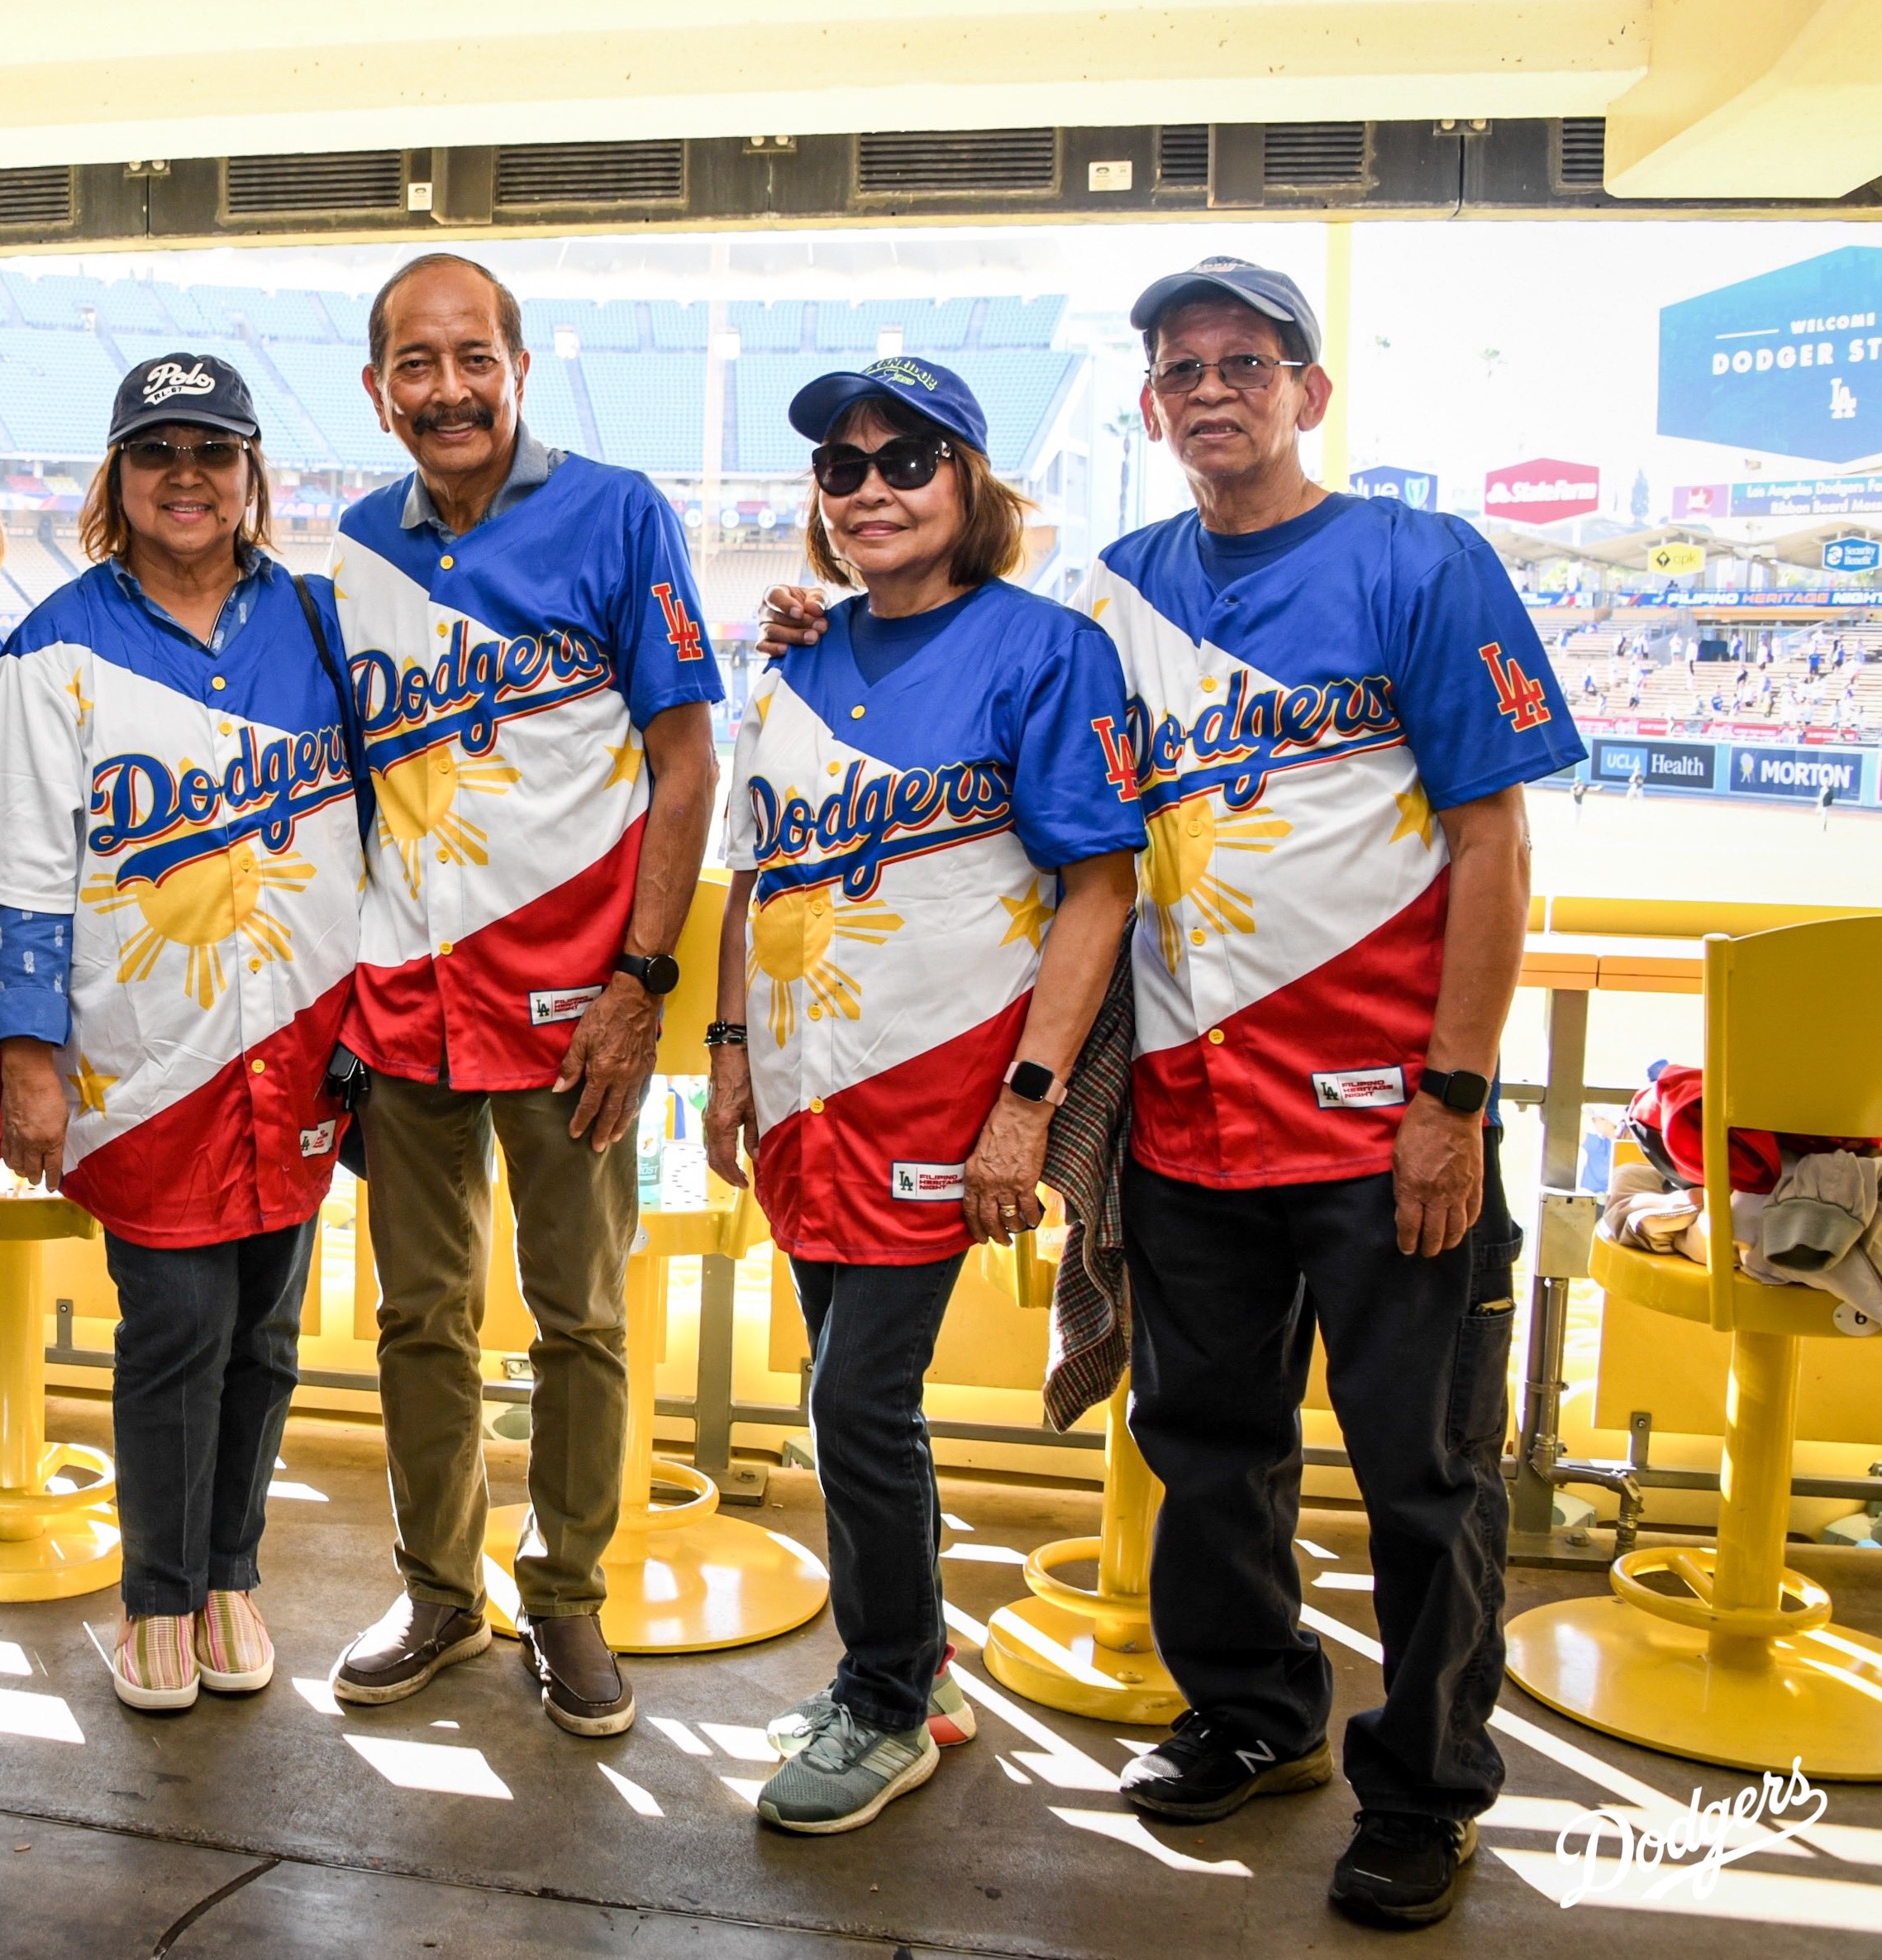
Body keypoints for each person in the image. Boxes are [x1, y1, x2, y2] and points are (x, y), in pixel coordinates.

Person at [762, 256, 1578, 1926]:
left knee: (1423, 1476)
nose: (1212, 387)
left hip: (1380, 1115)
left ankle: (1425, 1788)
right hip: (1193, 1120)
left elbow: (1494, 841)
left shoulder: (1421, 560)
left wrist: (1455, 1089)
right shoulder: (1117, 593)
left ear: (1307, 390)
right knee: (1207, 1445)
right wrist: (808, 627)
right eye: (1180, 366)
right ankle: (1253, 1715)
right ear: (1147, 404)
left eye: (1246, 359)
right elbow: (961, 665)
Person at [698, 358, 1139, 1836]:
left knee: (855, 1400)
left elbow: (1100, 888)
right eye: (843, 465)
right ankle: (924, 1666)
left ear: (969, 485)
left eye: (906, 459)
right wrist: (729, 1047)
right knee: (857, 1412)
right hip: (809, 1097)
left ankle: (884, 1700)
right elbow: (755, 873)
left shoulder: (1044, 647)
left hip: (941, 1100)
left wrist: (1027, 1101)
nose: (871, 486)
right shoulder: (800, 658)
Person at [327, 254, 724, 1738]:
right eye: (415, 365)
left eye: (472, 355)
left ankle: (566, 1599)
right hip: (405, 1013)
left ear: (517, 365)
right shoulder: (361, 543)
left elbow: (688, 761)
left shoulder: (618, 512)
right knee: (420, 1315)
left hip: (575, 1013)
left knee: (580, 1316)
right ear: (379, 391)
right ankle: (439, 1586)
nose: (447, 388)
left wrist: (640, 983)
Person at [0, 354, 358, 1710]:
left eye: (212, 449)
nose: (184, 476)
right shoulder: (54, 644)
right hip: (142, 1060)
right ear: (114, 479)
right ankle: (157, 1598)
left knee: (269, 1333)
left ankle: (231, 1571)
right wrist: (27, 1058)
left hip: (300, 1043)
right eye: (155, 451)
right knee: (175, 1324)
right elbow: (12, 875)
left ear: (255, 475)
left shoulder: (319, 623)